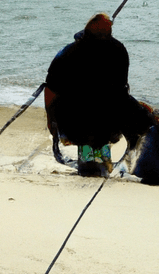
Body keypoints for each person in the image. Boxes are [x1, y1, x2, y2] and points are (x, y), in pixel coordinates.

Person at [45, 13, 155, 176]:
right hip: (89, 120)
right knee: (139, 118)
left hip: (86, 119)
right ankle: (96, 162)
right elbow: (120, 92)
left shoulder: (69, 52)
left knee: (139, 118)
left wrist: (51, 119)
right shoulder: (115, 50)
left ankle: (99, 161)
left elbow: (51, 89)